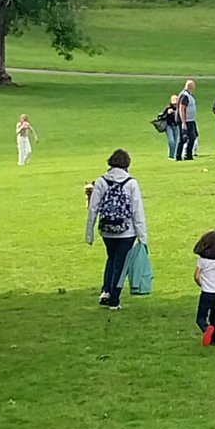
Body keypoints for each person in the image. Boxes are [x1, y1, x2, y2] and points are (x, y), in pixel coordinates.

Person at [86, 149, 148, 310]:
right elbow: (137, 211)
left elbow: (93, 208)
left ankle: (106, 290)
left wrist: (90, 233)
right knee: (121, 263)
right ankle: (114, 299)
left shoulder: (101, 181)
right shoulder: (131, 183)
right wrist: (143, 237)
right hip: (126, 231)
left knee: (112, 258)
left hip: (106, 229)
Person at [176, 79, 198, 161]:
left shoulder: (190, 95)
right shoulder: (184, 95)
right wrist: (183, 122)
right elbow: (182, 108)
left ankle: (188, 155)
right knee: (183, 138)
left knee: (192, 137)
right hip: (185, 120)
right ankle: (178, 156)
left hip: (191, 120)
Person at [159, 93, 180, 160]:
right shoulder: (168, 108)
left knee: (176, 141)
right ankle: (171, 156)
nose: (175, 105)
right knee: (171, 141)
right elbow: (162, 116)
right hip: (169, 126)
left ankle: (175, 155)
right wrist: (168, 114)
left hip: (177, 126)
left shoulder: (180, 109)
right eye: (174, 104)